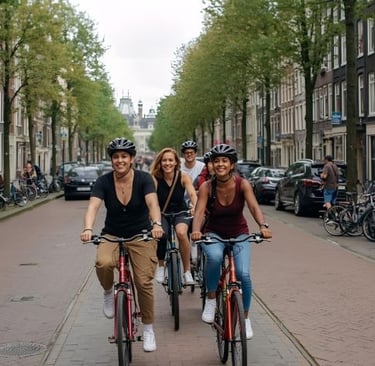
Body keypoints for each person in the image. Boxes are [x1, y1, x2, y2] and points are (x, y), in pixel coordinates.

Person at [80, 137, 164, 352]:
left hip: (141, 234)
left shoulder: (144, 179)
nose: (119, 161)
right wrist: (88, 228)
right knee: (103, 262)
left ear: (132, 159)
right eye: (116, 157)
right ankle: (108, 292)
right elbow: (93, 206)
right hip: (112, 234)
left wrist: (156, 223)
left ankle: (148, 329)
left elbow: (153, 203)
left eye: (124, 157)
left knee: (143, 282)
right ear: (112, 160)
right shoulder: (103, 181)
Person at [191, 144, 272, 340]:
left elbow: (253, 206)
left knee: (243, 274)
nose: (220, 164)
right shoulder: (206, 187)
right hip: (214, 233)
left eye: (224, 161)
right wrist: (195, 231)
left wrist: (263, 225)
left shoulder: (242, 184)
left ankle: (245, 318)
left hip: (239, 233)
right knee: (215, 257)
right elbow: (200, 211)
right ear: (212, 164)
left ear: (232, 164)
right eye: (216, 161)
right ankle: (211, 300)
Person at [150, 147, 198, 285]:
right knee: (161, 234)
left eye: (170, 160)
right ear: (160, 162)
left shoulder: (183, 177)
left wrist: (195, 206)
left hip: (180, 212)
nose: (167, 163)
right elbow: (150, 198)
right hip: (161, 213)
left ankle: (187, 271)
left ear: (176, 162)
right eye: (164, 160)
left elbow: (193, 195)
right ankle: (161, 266)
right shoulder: (155, 178)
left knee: (182, 233)